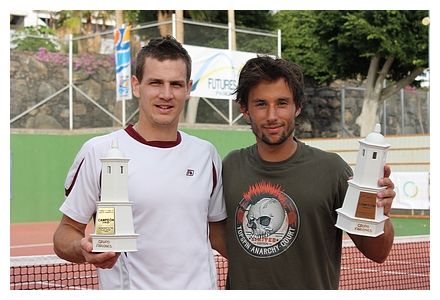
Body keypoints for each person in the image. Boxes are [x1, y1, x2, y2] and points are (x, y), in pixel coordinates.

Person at [53, 36, 227, 290]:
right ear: (136, 85)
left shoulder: (206, 154)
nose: (166, 94)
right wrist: (83, 248)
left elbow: (219, 235)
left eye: (176, 84)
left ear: (188, 88)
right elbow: (65, 233)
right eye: (155, 83)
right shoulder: (98, 151)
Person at [222, 56, 395, 289]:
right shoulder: (229, 167)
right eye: (261, 104)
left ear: (298, 106)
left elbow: (378, 252)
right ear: (245, 109)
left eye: (282, 103)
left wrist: (381, 210)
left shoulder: (332, 171)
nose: (272, 116)